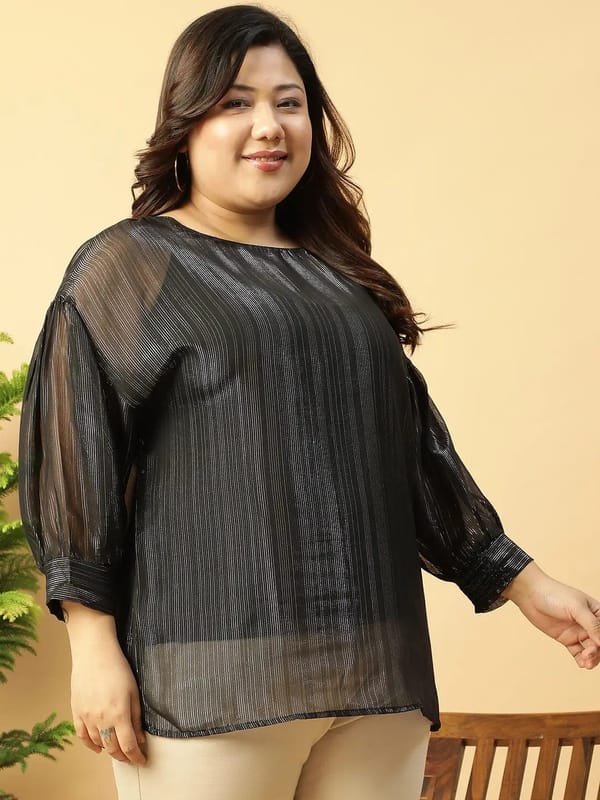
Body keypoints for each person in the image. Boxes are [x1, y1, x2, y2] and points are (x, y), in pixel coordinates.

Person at [17, 5, 600, 799]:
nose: (269, 126)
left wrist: (528, 584)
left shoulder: (341, 276)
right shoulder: (130, 266)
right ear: (186, 123)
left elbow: (414, 456)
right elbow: (76, 465)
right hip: (210, 684)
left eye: (289, 103)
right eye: (236, 102)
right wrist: (93, 650)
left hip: (375, 676)